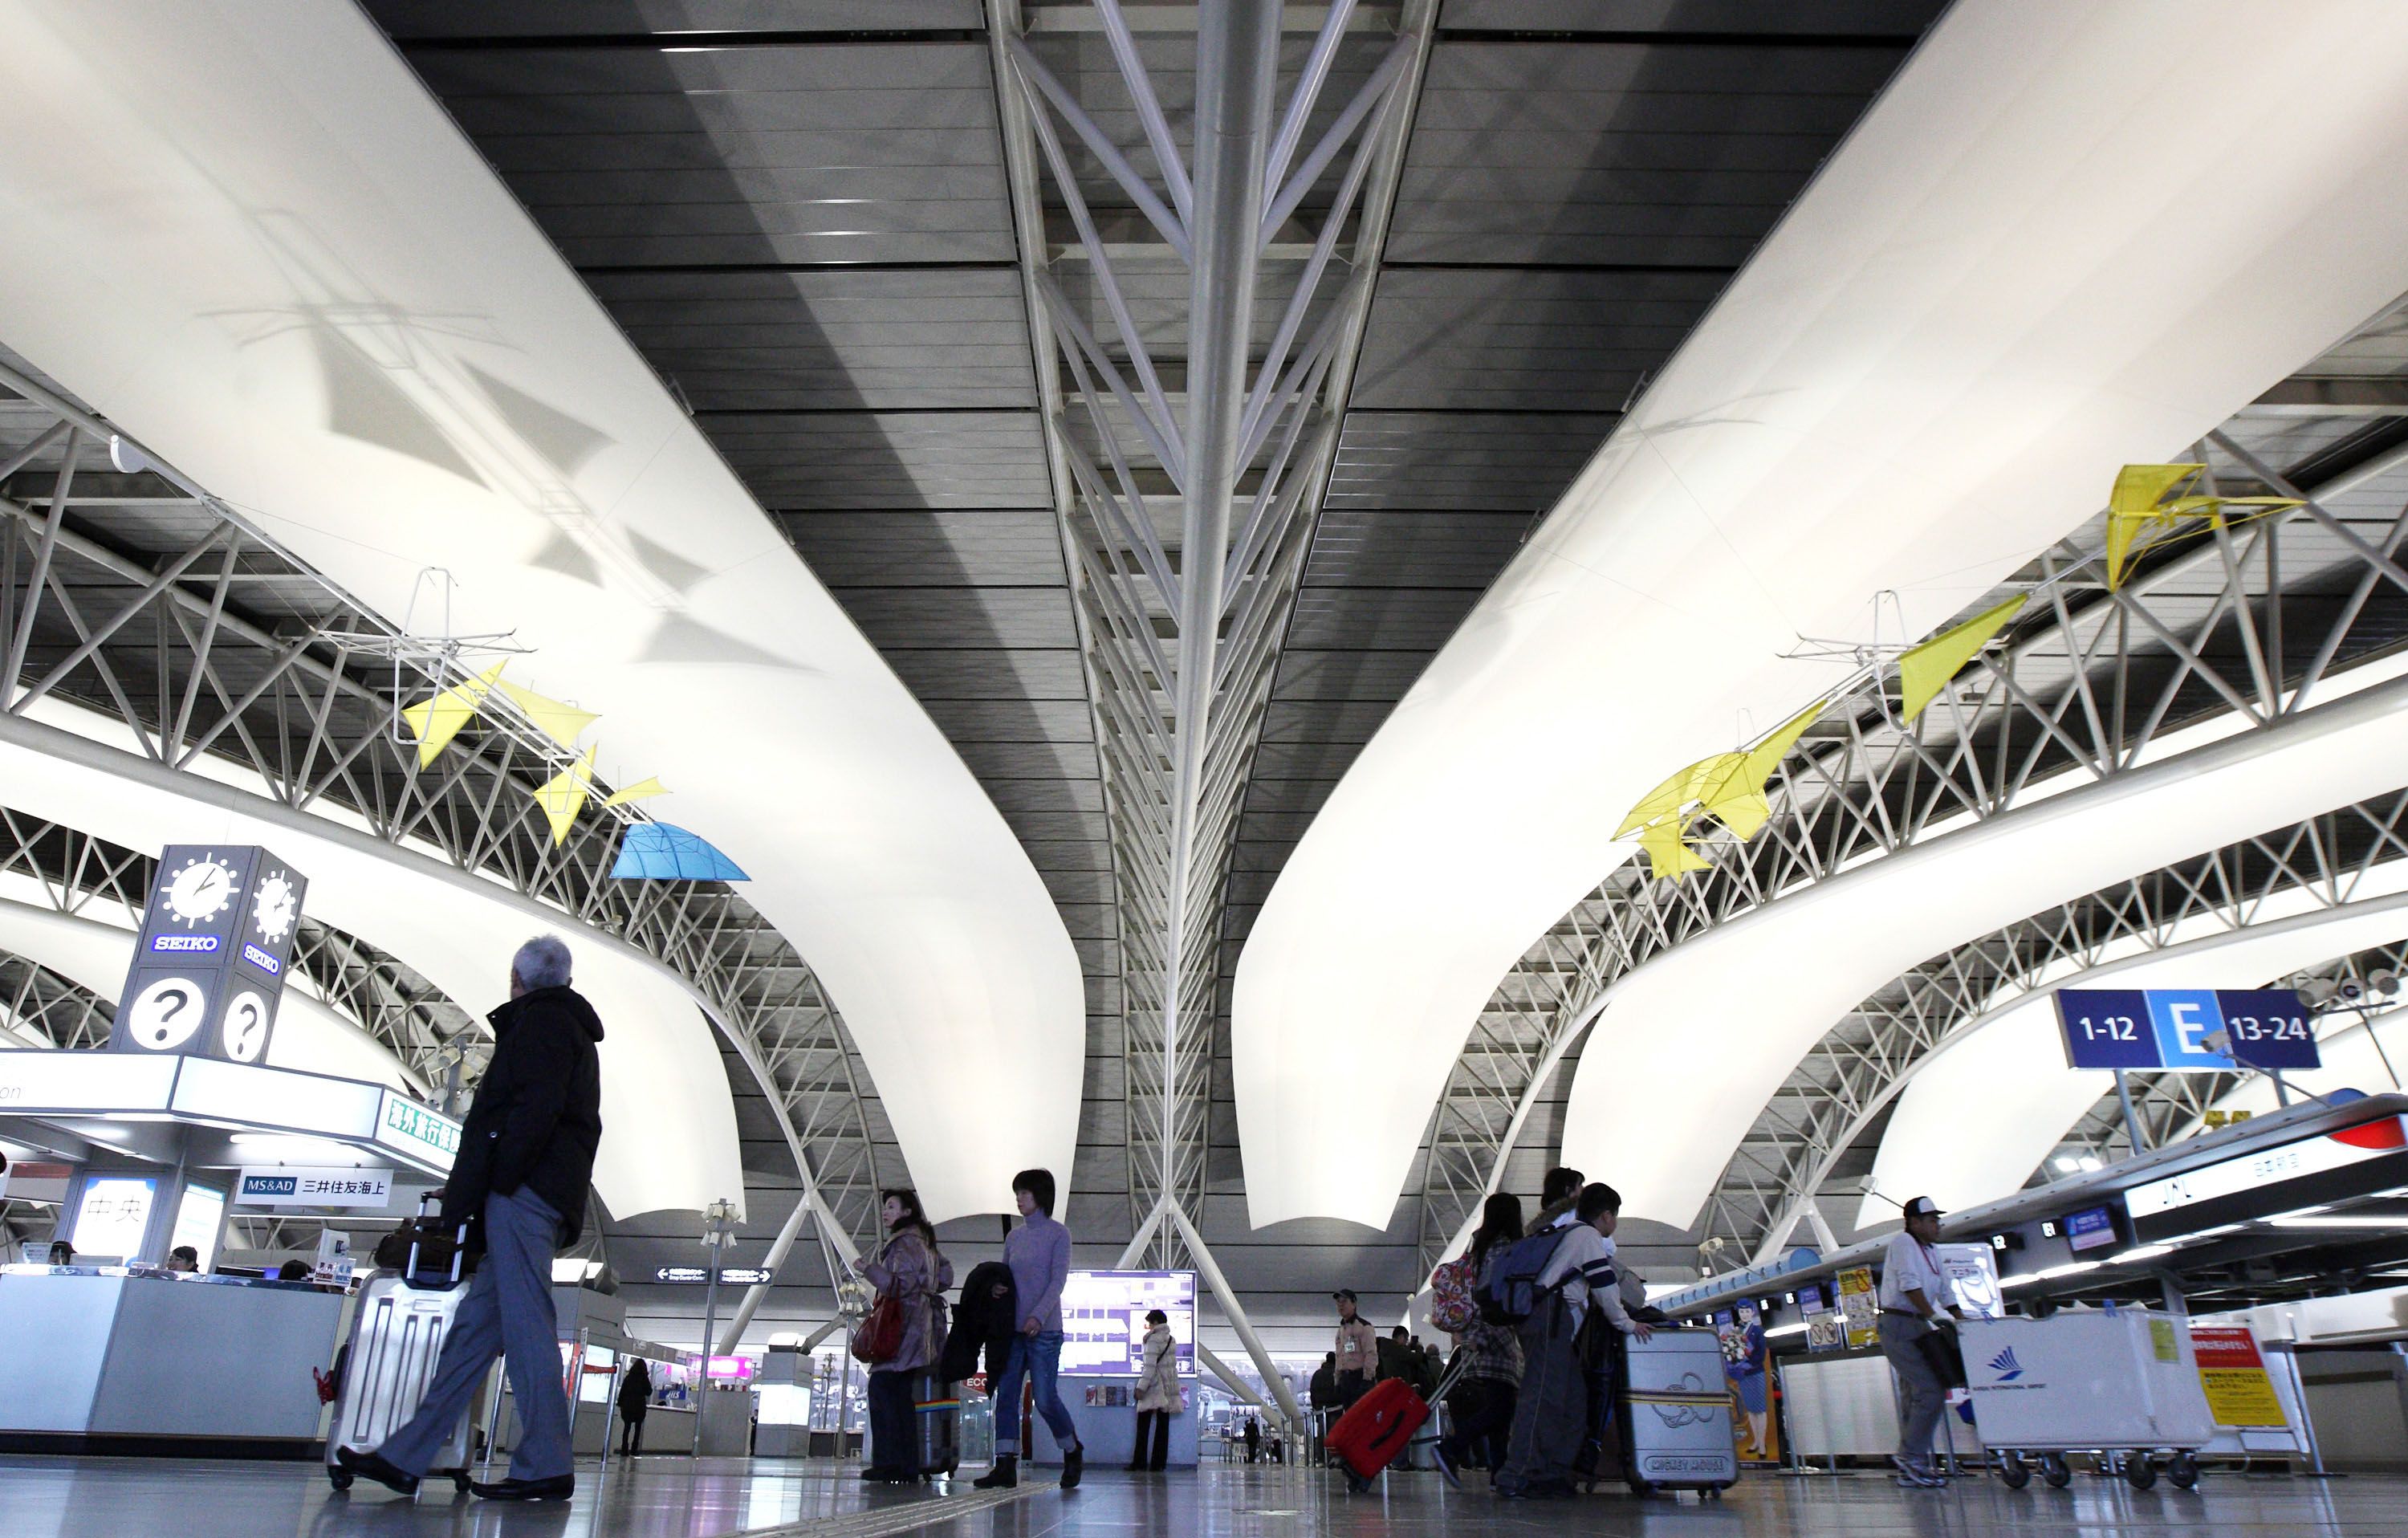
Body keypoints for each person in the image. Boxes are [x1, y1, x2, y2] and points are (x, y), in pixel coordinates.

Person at [336, 935, 604, 1504]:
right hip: (544, 1191)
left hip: (525, 1194)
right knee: (473, 1332)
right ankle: (406, 1455)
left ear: (518, 979)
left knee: (528, 1323)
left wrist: (497, 1181)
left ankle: (546, 1463)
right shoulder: (567, 1028)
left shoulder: (542, 1026)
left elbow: (529, 1110)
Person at [1495, 1182, 1649, 1500]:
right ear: (1606, 1215)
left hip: (1554, 1322)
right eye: (1615, 1216)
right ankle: (1518, 1474)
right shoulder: (1586, 1237)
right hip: (1551, 1317)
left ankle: (1553, 1472)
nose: (1615, 1223)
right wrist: (1629, 1324)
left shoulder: (1570, 1234)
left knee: (1573, 1400)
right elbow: (1606, 1290)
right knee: (1542, 1398)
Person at [975, 1168, 1084, 1490]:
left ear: (1041, 1196)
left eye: (1025, 1193)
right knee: (1005, 1395)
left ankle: (1072, 1450)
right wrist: (997, 1289)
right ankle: (1005, 1464)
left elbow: (1057, 1281)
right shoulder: (1014, 1237)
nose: (1019, 1199)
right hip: (1013, 1331)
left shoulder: (1058, 1234)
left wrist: (1037, 1316)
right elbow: (1008, 1277)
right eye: (1017, 1193)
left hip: (1045, 1331)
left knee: (1045, 1398)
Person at [856, 1188, 954, 1483]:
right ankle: (907, 1465)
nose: (886, 1212)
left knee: (882, 1390)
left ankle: (888, 1463)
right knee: (900, 1397)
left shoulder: (903, 1244)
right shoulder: (926, 1244)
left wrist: (868, 1269)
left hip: (902, 1328)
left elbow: (897, 1286)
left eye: (892, 1207)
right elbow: (946, 1277)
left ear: (907, 1212)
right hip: (921, 1328)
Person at [1435, 1193, 1524, 1487]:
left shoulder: (1480, 1248)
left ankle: (1500, 1473)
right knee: (1503, 1406)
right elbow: (1496, 1295)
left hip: (1481, 1332)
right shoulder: (1504, 1249)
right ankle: (1451, 1447)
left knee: (1499, 1404)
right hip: (1495, 1333)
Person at [1879, 1195, 1963, 1489]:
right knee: (1931, 1390)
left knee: (1914, 1393)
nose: (1937, 1225)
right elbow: (1909, 1283)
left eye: (1937, 1220)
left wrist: (1959, 1318)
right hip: (1899, 1322)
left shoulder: (1933, 1251)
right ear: (1914, 1223)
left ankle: (1910, 1467)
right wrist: (1934, 1316)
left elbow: (1945, 1290)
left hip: (1916, 1324)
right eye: (1931, 1220)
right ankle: (1911, 1457)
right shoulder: (1904, 1243)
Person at [1129, 1308, 1178, 1472]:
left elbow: (1149, 1367)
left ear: (1156, 1322)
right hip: (1167, 1388)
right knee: (1163, 1428)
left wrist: (1140, 1388)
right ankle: (1158, 1464)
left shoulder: (1153, 1340)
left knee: (1143, 1427)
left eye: (1150, 1323)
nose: (1149, 1326)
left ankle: (1139, 1463)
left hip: (1153, 1388)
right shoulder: (1172, 1340)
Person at [1332, 1290, 1378, 1410]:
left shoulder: (1364, 1327)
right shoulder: (1341, 1330)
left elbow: (1371, 1354)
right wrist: (1337, 1381)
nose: (1340, 1305)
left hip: (1360, 1377)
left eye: (1344, 1301)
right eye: (1338, 1303)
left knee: (1363, 1416)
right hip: (1346, 1380)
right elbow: (1339, 1356)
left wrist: (1367, 1379)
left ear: (1354, 1303)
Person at [617, 1357, 653, 1456]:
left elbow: (622, 1392)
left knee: (626, 1428)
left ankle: (624, 1449)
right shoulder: (644, 1379)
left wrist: (620, 1404)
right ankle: (634, 1449)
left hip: (627, 1407)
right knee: (637, 1429)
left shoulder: (628, 1378)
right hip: (639, 1407)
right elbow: (649, 1392)